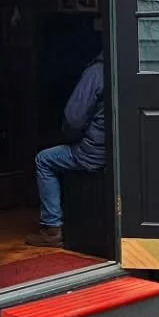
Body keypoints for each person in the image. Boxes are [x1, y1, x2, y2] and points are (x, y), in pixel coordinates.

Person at [32, 50, 106, 245]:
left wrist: (70, 137)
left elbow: (74, 119)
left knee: (44, 160)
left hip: (95, 153)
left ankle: (52, 228)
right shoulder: (130, 69)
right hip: (120, 150)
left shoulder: (97, 72)